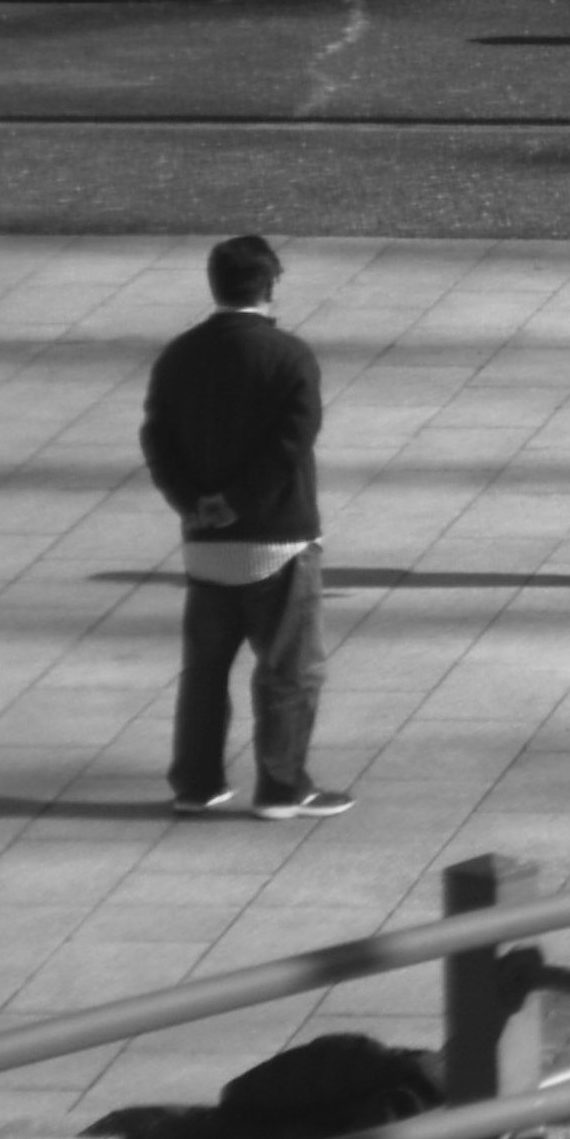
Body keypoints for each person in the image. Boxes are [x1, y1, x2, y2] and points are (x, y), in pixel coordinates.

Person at [141, 235, 351, 819]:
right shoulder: (289, 356)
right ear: (270, 285)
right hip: (277, 540)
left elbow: (156, 436)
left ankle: (196, 782)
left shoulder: (179, 355)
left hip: (206, 546)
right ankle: (283, 785)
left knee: (204, 673)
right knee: (289, 668)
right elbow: (292, 442)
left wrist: (194, 503)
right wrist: (239, 501)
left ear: (215, 284)